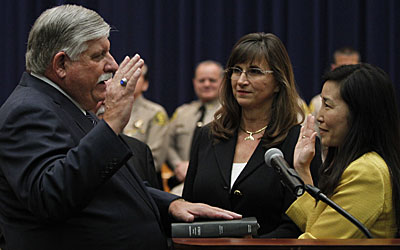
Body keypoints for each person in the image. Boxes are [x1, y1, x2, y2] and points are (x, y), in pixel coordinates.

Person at [0, 5, 241, 250]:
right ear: (61, 64)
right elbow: (51, 195)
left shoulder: (68, 106)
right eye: (98, 56)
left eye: (109, 53)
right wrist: (112, 122)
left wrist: (170, 204)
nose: (113, 65)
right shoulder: (28, 110)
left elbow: (114, 184)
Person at [182, 32, 321, 237]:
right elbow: (189, 208)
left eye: (254, 71)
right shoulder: (207, 135)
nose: (241, 81)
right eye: (236, 70)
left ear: (278, 82)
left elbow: (298, 225)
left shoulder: (298, 142)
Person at [287, 63, 400, 238]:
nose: (319, 116)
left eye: (328, 105)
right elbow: (317, 225)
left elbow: (317, 242)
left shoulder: (367, 172)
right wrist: (302, 169)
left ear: (359, 113)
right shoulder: (355, 162)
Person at [167, 60, 224, 195]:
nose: (206, 84)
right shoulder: (182, 112)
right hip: (182, 182)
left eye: (212, 80)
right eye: (201, 80)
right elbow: (167, 144)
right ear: (194, 83)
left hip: (215, 183)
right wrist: (178, 165)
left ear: (222, 82)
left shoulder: (229, 114)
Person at [122, 62, 169, 188]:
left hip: (144, 184)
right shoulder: (107, 109)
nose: (129, 79)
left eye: (136, 75)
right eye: (125, 75)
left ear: (145, 84)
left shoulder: (155, 113)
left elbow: (155, 160)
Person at [309, 47, 360, 117]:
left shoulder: (370, 100)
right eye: (343, 67)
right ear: (333, 68)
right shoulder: (318, 103)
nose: (348, 72)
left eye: (352, 67)